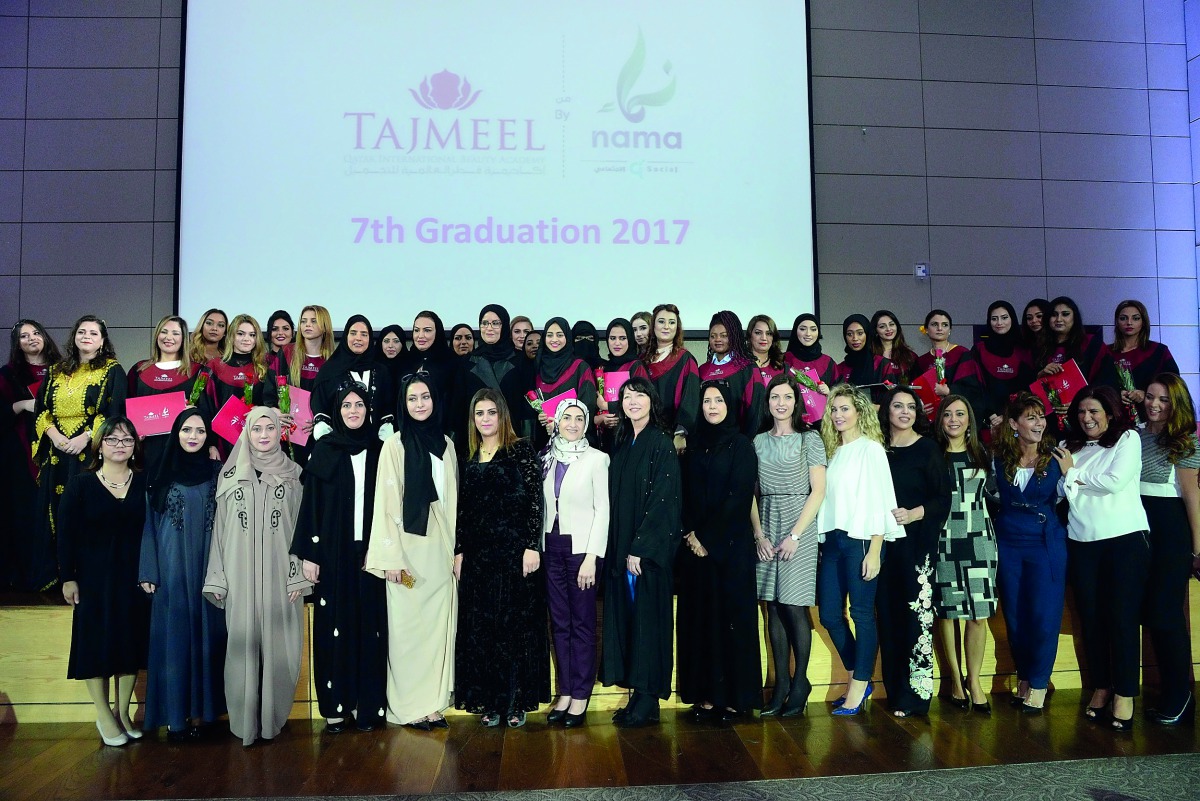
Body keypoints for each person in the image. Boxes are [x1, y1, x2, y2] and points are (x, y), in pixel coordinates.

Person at [203, 407, 311, 746]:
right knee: (241, 649)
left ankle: (272, 722)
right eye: (256, 429)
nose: (263, 435)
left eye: (270, 428)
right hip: (239, 575)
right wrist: (217, 577)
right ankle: (244, 724)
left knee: (283, 649)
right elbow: (219, 530)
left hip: (282, 575)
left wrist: (296, 575)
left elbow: (302, 529)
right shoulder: (230, 475)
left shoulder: (294, 474)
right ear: (245, 433)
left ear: (280, 432)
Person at [366, 374, 458, 730]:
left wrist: (455, 550)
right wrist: (389, 558)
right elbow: (385, 503)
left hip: (439, 549)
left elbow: (453, 500)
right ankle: (409, 707)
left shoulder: (447, 444)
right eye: (412, 399)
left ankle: (433, 704)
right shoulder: (395, 445)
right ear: (403, 404)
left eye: (425, 397)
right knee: (407, 633)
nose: (420, 404)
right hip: (405, 551)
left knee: (437, 631)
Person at [292, 383, 386, 733]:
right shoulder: (326, 449)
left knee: (370, 629)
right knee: (335, 629)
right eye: (345, 405)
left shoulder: (382, 449)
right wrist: (310, 554)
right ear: (337, 410)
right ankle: (335, 707)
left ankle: (368, 707)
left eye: (359, 404)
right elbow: (311, 504)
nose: (353, 411)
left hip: (373, 553)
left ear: (368, 409)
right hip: (333, 553)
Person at [453, 389, 549, 728]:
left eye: (491, 412)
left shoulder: (520, 449)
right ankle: (491, 702)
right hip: (479, 557)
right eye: (479, 413)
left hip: (514, 555)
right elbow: (461, 510)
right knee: (485, 630)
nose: (485, 419)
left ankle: (515, 703)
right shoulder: (469, 455)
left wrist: (531, 546)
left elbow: (535, 501)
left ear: (502, 415)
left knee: (514, 629)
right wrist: (460, 550)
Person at [1059, 385, 1148, 732]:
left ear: (1109, 413)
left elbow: (1113, 481)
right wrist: (1069, 475)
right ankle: (1101, 686)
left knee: (1122, 620)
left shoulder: (1127, 438)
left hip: (1124, 539)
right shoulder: (1069, 447)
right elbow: (1059, 490)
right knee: (1092, 620)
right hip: (1082, 540)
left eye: (1094, 411)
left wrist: (1073, 474)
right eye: (1081, 412)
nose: (1087, 418)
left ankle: (1125, 693)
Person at [58, 416, 149, 747]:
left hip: (134, 578)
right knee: (95, 644)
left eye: (127, 440)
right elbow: (65, 535)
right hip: (93, 578)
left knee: (129, 643)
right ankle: (103, 714)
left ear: (135, 446)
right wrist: (68, 578)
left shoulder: (144, 482)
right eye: (112, 440)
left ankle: (123, 712)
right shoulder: (80, 484)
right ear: (99, 445)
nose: (120, 446)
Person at [138, 408, 227, 740]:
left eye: (200, 431)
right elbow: (148, 525)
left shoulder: (218, 473)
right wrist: (149, 570)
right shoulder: (160, 475)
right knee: (174, 641)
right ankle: (176, 720)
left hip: (208, 568)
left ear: (208, 437)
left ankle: (206, 717)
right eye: (187, 430)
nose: (193, 436)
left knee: (209, 639)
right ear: (176, 433)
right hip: (171, 568)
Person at [815, 383, 903, 716]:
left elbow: (883, 499)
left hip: (863, 539)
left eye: (844, 409)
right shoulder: (832, 450)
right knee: (829, 616)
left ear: (859, 412)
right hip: (834, 540)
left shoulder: (871, 448)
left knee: (862, 614)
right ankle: (859, 676)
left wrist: (875, 549)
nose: (838, 415)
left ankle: (858, 685)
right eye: (834, 409)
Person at [600, 377, 682, 728]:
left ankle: (648, 700)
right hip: (623, 552)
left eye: (639, 395)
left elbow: (663, 501)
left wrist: (640, 548)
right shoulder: (623, 443)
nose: (632, 401)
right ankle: (637, 697)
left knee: (648, 624)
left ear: (652, 400)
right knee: (631, 623)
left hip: (645, 556)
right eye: (626, 396)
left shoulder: (660, 444)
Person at [677, 381, 761, 721]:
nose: (712, 406)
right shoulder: (692, 446)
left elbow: (739, 496)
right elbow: (682, 494)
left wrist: (706, 539)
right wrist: (690, 534)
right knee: (701, 623)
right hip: (695, 551)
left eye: (718, 400)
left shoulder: (741, 445)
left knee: (731, 622)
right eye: (707, 400)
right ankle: (706, 696)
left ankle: (734, 700)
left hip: (730, 550)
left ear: (729, 405)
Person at [33, 314, 127, 591]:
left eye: (93, 333)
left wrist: (86, 438)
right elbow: (41, 410)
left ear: (102, 341)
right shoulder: (56, 371)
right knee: (55, 510)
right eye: (82, 332)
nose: (87, 336)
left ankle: (84, 576)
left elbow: (115, 412)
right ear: (74, 336)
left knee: (84, 513)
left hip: (90, 454)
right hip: (57, 453)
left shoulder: (113, 370)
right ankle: (55, 576)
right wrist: (55, 436)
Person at [991, 392, 1070, 714]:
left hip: (1044, 542)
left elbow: (1073, 497)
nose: (1039, 423)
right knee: (1015, 616)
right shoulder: (999, 459)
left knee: (1043, 616)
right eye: (1031, 417)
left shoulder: (1057, 457)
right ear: (1014, 424)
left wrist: (1069, 472)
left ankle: (1039, 682)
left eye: (1042, 417)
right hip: (1009, 543)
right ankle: (1024, 676)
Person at [753, 374, 825, 717]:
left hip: (800, 524)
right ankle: (780, 683)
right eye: (774, 397)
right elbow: (751, 493)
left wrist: (795, 535)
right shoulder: (757, 441)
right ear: (767, 403)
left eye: (787, 397)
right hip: (766, 521)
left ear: (796, 402)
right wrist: (759, 534)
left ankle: (801, 683)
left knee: (794, 606)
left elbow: (819, 491)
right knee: (772, 607)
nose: (780, 403)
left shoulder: (810, 439)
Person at [877, 386, 951, 718]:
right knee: (889, 617)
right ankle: (895, 693)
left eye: (911, 406)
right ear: (887, 411)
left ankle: (918, 695)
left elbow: (942, 500)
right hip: (880, 547)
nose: (904, 412)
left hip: (917, 547)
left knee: (916, 620)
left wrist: (913, 513)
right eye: (898, 406)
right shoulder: (876, 450)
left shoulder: (928, 449)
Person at [541, 399, 609, 727]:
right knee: (560, 624)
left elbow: (603, 511)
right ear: (556, 421)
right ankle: (565, 691)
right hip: (549, 549)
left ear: (586, 423)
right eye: (566, 417)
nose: (571, 423)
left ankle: (581, 696)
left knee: (582, 624)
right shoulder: (545, 457)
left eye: (578, 418)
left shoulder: (598, 460)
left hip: (581, 551)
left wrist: (592, 557)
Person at [1138, 374, 1200, 725]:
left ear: (1175, 403)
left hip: (1171, 533)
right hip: (1139, 531)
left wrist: (1197, 549)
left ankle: (1181, 693)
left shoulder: (1186, 441)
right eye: (1150, 397)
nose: (1154, 404)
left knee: (1166, 615)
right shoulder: (1135, 434)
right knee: (1153, 614)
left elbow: (1192, 497)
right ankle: (1171, 693)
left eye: (1162, 399)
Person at [932, 394, 996, 713]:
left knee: (978, 615)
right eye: (948, 414)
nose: (954, 419)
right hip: (945, 541)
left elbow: (996, 494)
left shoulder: (982, 453)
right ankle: (955, 681)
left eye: (960, 413)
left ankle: (975, 680)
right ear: (940, 420)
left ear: (969, 419)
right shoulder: (933, 455)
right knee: (948, 613)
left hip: (979, 540)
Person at [0, 319, 60, 591]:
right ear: (17, 344)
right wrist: (22, 404)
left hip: (62, 450)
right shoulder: (8, 375)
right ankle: (27, 577)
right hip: (21, 457)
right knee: (25, 516)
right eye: (24, 336)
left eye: (36, 332)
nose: (32, 338)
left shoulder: (64, 370)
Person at [128, 315, 208, 475]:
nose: (169, 337)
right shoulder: (139, 370)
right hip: (147, 451)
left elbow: (207, 412)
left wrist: (194, 412)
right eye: (164, 332)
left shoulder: (198, 372)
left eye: (175, 333)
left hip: (184, 453)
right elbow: (126, 409)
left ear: (184, 338)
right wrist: (133, 431)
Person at [453, 304, 535, 449]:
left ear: (504, 327)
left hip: (513, 442)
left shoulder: (521, 361)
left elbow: (528, 407)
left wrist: (528, 444)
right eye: (485, 323)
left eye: (495, 323)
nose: (489, 328)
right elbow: (458, 409)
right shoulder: (466, 363)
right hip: (476, 444)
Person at [954, 301, 1035, 436]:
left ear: (1012, 319)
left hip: (1018, 421)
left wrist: (1008, 416)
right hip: (987, 421)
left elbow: (1028, 390)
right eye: (994, 318)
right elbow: (973, 387)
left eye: (1004, 317)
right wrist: (991, 415)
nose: (999, 322)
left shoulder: (1024, 351)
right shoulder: (979, 350)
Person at [311, 315, 395, 442]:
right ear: (346, 337)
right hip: (339, 445)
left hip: (376, 446)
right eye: (353, 333)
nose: (358, 338)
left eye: (364, 334)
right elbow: (320, 404)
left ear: (370, 338)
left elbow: (389, 404)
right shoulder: (329, 371)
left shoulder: (381, 371)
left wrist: (386, 432)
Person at [643, 303, 700, 454]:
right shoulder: (642, 360)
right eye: (661, 321)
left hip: (672, 438)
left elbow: (691, 399)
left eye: (672, 322)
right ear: (653, 326)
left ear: (677, 328)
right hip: (645, 433)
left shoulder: (685, 360)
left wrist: (681, 433)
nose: (666, 326)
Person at [533, 318, 598, 448]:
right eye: (549, 335)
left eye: (560, 335)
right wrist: (541, 416)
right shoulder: (539, 367)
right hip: (545, 442)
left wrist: (560, 425)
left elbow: (588, 404)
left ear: (567, 338)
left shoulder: (580, 367)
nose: (554, 339)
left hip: (575, 442)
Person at [698, 311, 764, 437]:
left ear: (734, 336)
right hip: (705, 443)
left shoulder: (747, 369)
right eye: (713, 336)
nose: (718, 340)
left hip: (738, 441)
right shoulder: (702, 371)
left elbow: (756, 412)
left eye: (724, 335)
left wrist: (744, 442)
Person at [1109, 300, 1179, 413]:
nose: (1129, 322)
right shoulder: (1106, 353)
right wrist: (1115, 395)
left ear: (1144, 322)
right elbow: (1096, 386)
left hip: (1152, 414)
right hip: (1115, 416)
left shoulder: (1159, 351)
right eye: (1123, 318)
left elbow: (1173, 383)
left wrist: (1147, 394)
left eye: (1135, 318)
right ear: (1117, 322)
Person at [1036, 296, 1119, 391]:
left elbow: (1107, 380)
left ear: (1074, 317)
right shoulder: (1040, 346)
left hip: (1086, 403)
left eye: (1065, 314)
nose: (1059, 319)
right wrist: (1041, 376)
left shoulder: (1092, 344)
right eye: (1054, 315)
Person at [205, 313, 279, 415]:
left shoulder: (267, 364)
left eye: (252, 335)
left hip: (259, 428)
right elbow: (206, 406)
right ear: (231, 336)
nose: (246, 339)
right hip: (223, 429)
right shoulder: (215, 366)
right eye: (240, 334)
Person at [595, 318, 650, 452]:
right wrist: (601, 419)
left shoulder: (636, 366)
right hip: (607, 438)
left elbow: (643, 400)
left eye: (622, 338)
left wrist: (608, 406)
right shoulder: (603, 368)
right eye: (612, 338)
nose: (617, 343)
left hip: (631, 436)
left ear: (630, 340)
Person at [402, 312, 457, 417]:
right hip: (407, 428)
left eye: (427, 330)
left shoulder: (451, 363)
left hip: (442, 429)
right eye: (416, 330)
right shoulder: (404, 361)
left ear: (438, 332)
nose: (420, 335)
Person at [914, 310, 969, 405]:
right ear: (926, 329)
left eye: (945, 325)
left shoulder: (962, 353)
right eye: (935, 324)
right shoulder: (922, 361)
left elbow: (972, 388)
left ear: (950, 330)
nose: (940, 328)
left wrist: (949, 390)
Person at [836, 314, 893, 404]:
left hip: (876, 417)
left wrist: (876, 408)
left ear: (867, 334)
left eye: (860, 333)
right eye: (850, 334)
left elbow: (892, 398)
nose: (855, 338)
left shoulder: (881, 364)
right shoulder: (840, 368)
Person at [282, 304, 334, 394]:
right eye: (303, 321)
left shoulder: (334, 358)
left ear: (325, 326)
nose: (307, 325)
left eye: (314, 321)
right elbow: (272, 388)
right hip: (288, 407)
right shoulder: (287, 351)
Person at [783, 313, 837, 395]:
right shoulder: (784, 359)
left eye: (813, 329)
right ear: (795, 331)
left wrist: (830, 392)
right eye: (802, 329)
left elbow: (841, 393)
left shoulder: (827, 362)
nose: (808, 334)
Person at [871, 310, 917, 382]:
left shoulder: (910, 356)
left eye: (891, 324)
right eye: (882, 326)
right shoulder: (870, 356)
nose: (888, 329)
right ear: (875, 330)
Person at [747, 314, 786, 388]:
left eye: (769, 333)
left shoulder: (782, 366)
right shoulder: (740, 366)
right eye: (758, 333)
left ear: (773, 337)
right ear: (750, 335)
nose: (764, 338)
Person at [374, 323, 408, 390]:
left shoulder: (410, 365)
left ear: (402, 344)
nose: (390, 346)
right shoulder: (372, 366)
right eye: (386, 341)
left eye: (396, 341)